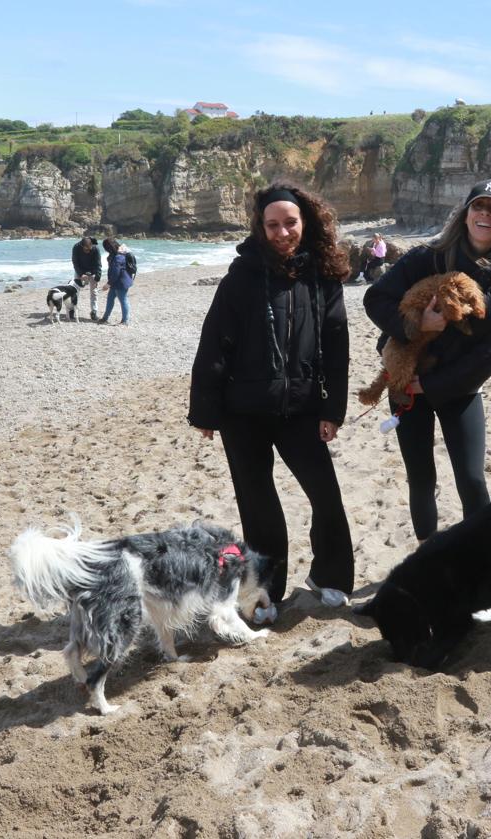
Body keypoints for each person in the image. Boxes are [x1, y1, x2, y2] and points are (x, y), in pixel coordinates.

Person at [363, 178, 491, 622]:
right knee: (421, 479)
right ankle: (427, 568)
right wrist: (418, 328)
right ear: (465, 212)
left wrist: (431, 388)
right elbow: (375, 298)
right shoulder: (428, 258)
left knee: (472, 480)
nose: (485, 214)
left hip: (458, 391)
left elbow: (486, 357)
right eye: (479, 205)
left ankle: (482, 578)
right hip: (405, 383)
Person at [188, 180, 354, 611]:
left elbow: (337, 350)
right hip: (242, 413)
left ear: (306, 222)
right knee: (259, 507)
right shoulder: (240, 278)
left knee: (326, 495)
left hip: (301, 408)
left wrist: (332, 408)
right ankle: (265, 592)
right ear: (260, 228)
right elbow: (214, 343)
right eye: (273, 225)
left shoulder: (324, 277)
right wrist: (205, 410)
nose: (283, 233)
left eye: (290, 223)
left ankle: (328, 575)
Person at [99, 238, 133, 326]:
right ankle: (105, 318)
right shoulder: (119, 253)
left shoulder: (118, 257)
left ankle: (125, 321)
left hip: (121, 283)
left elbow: (116, 272)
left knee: (123, 300)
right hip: (117, 282)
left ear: (108, 248)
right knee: (110, 299)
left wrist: (108, 284)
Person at [72, 236, 102, 321]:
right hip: (80, 271)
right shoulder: (76, 247)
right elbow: (75, 262)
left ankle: (94, 311)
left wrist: (97, 277)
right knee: (75, 291)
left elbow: (98, 264)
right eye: (86, 250)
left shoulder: (95, 249)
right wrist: (81, 274)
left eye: (89, 249)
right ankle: (72, 310)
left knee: (94, 292)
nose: (88, 251)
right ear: (82, 246)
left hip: (92, 271)